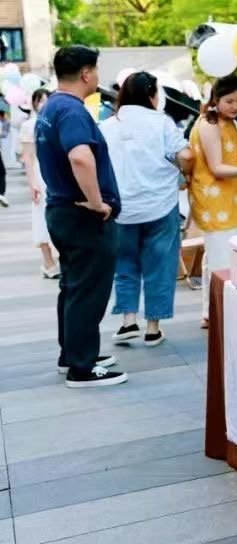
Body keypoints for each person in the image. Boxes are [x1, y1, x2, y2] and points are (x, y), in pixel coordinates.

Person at [35, 46, 126, 388]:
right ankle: (82, 368)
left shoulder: (52, 106)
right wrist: (98, 203)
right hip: (82, 216)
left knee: (73, 286)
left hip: (62, 211)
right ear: (86, 73)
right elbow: (80, 158)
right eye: (96, 70)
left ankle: (73, 354)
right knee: (88, 289)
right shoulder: (72, 111)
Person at [100, 72, 192, 346]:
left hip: (121, 209)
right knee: (160, 265)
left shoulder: (107, 126)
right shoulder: (161, 123)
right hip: (159, 205)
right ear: (152, 95)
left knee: (124, 264)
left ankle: (128, 321)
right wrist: (183, 172)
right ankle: (153, 328)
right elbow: (186, 155)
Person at [189, 74, 237, 328]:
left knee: (215, 258)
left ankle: (210, 313)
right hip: (217, 202)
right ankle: (220, 314)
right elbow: (217, 167)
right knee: (222, 261)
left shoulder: (222, 121)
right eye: (229, 101)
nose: (235, 106)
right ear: (216, 99)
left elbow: (222, 151)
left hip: (226, 201)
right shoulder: (210, 124)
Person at [20, 88, 59, 277]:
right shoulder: (29, 125)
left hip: (56, 173)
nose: (44, 104)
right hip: (39, 174)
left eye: (47, 100)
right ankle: (48, 262)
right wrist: (32, 183)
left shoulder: (55, 121)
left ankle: (60, 258)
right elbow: (27, 157)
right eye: (41, 100)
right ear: (34, 103)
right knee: (41, 216)